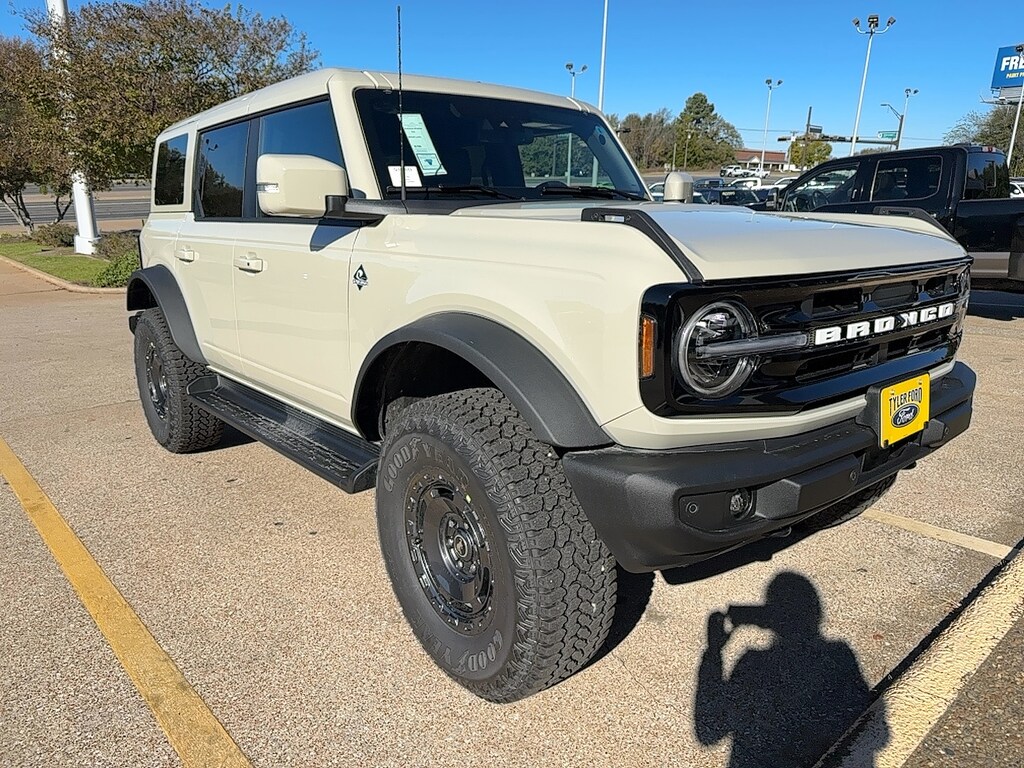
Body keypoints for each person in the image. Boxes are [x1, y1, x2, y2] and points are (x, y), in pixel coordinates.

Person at [694, 572, 888, 767]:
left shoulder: (752, 663)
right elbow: (877, 732)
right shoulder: (840, 655)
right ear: (816, 613)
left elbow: (709, 734)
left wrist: (714, 651)